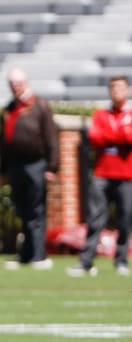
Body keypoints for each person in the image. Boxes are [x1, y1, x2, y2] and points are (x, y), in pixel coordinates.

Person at [66, 76, 132, 277]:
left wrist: (111, 137)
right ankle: (86, 261)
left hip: (126, 175)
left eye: (120, 87)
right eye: (112, 87)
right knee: (95, 219)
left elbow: (129, 138)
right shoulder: (101, 114)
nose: (116, 91)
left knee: (125, 219)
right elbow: (95, 138)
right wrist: (119, 136)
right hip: (102, 173)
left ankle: (121, 261)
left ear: (127, 90)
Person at [0, 68, 59, 270]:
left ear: (25, 83)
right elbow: (3, 143)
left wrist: (52, 166)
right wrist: (3, 169)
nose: (15, 87)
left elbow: (51, 137)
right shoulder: (9, 109)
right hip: (17, 165)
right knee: (23, 210)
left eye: (18, 83)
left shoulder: (39, 105)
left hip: (36, 164)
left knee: (37, 210)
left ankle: (38, 255)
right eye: (12, 84)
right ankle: (25, 254)